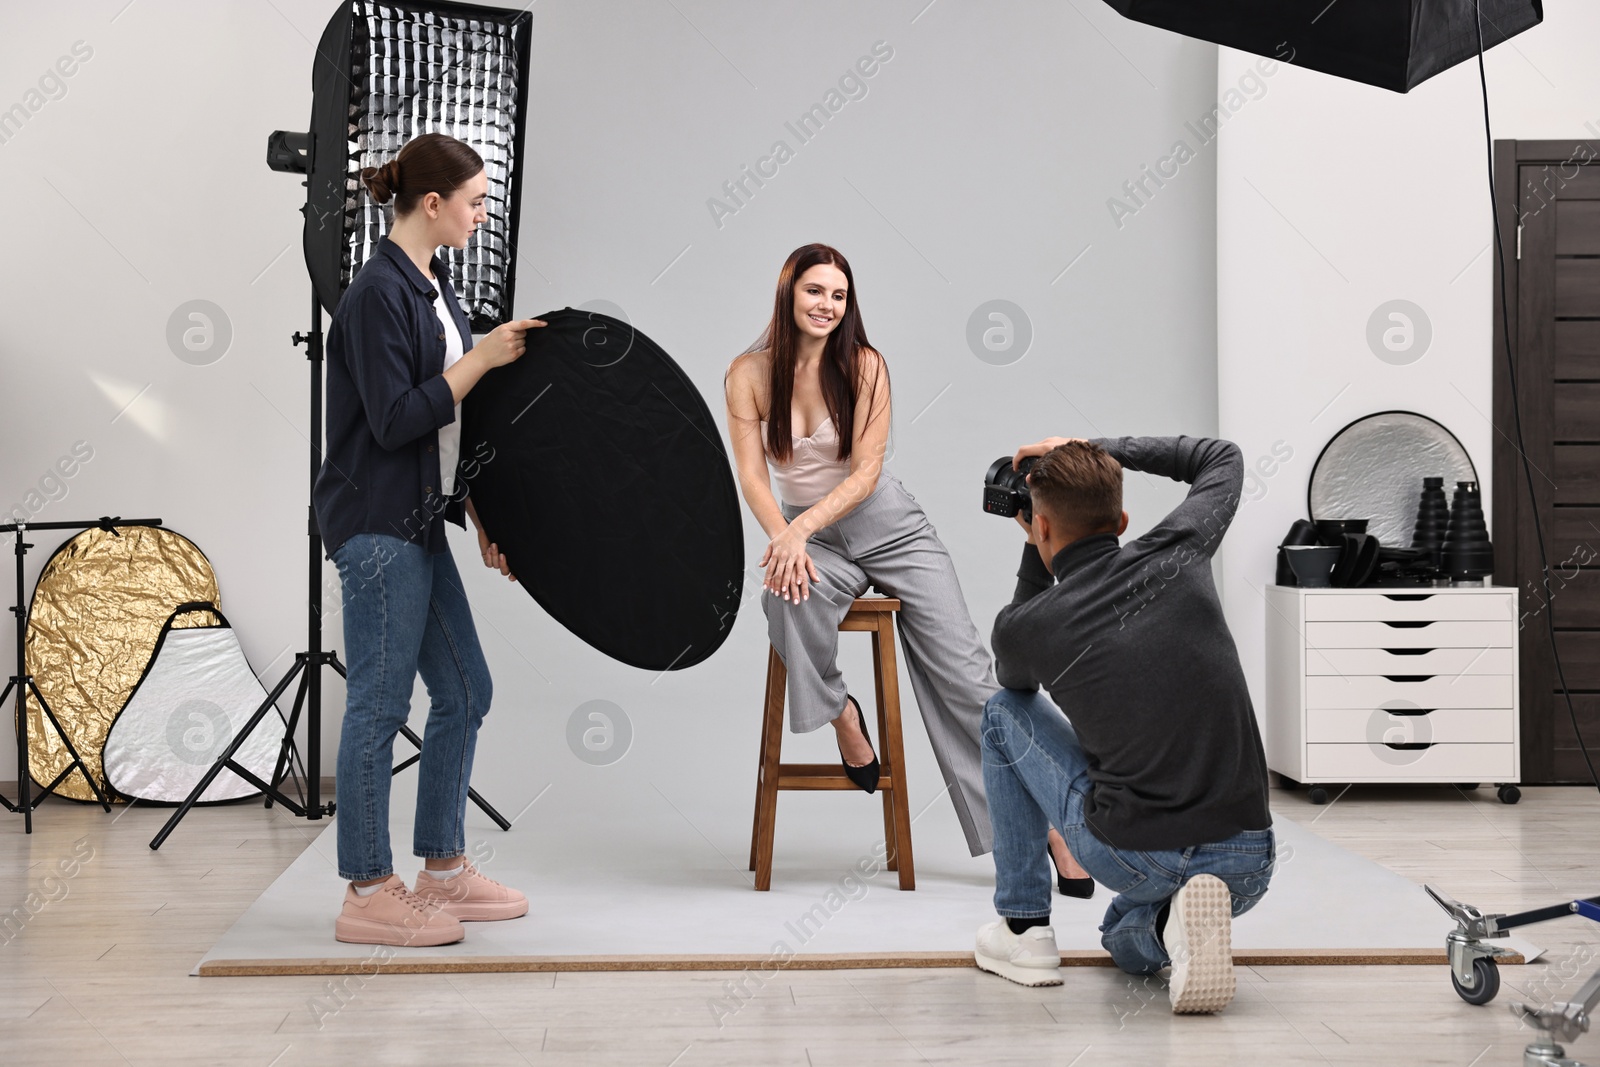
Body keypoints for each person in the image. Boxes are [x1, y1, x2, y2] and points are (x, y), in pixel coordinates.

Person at [313, 132, 542, 946]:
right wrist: (480, 357)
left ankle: (442, 869)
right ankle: (367, 889)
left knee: (468, 689)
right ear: (434, 203)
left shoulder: (433, 287)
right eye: (476, 201)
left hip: (418, 520)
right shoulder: (374, 294)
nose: (484, 215)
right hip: (374, 524)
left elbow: (453, 430)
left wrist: (483, 517)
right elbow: (397, 418)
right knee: (379, 702)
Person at [972, 435, 1276, 1014]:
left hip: (1138, 855)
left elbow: (1015, 689)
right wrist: (1095, 448)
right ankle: (1171, 928)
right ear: (1124, 519)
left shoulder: (1028, 626)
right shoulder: (1180, 549)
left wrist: (1037, 547)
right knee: (1121, 938)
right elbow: (1223, 457)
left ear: (1039, 528)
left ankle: (1024, 930)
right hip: (1247, 857)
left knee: (998, 715)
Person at [723, 242, 1002, 857]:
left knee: (967, 677)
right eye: (814, 290)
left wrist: (794, 533)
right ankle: (841, 714)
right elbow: (751, 478)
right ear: (788, 291)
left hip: (888, 527)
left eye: (838, 295)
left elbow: (864, 474)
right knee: (786, 595)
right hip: (811, 535)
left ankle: (1038, 827)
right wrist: (787, 535)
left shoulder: (866, 365)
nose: (826, 305)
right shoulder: (747, 373)